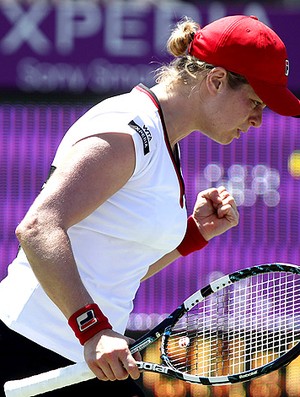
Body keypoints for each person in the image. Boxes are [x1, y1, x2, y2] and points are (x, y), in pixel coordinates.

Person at [1, 14, 300, 397]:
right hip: (27, 350)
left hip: (81, 363)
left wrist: (193, 235)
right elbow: (38, 227)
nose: (258, 119)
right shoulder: (130, 129)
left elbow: (115, 270)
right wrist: (92, 329)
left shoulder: (160, 139)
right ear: (216, 80)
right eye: (255, 101)